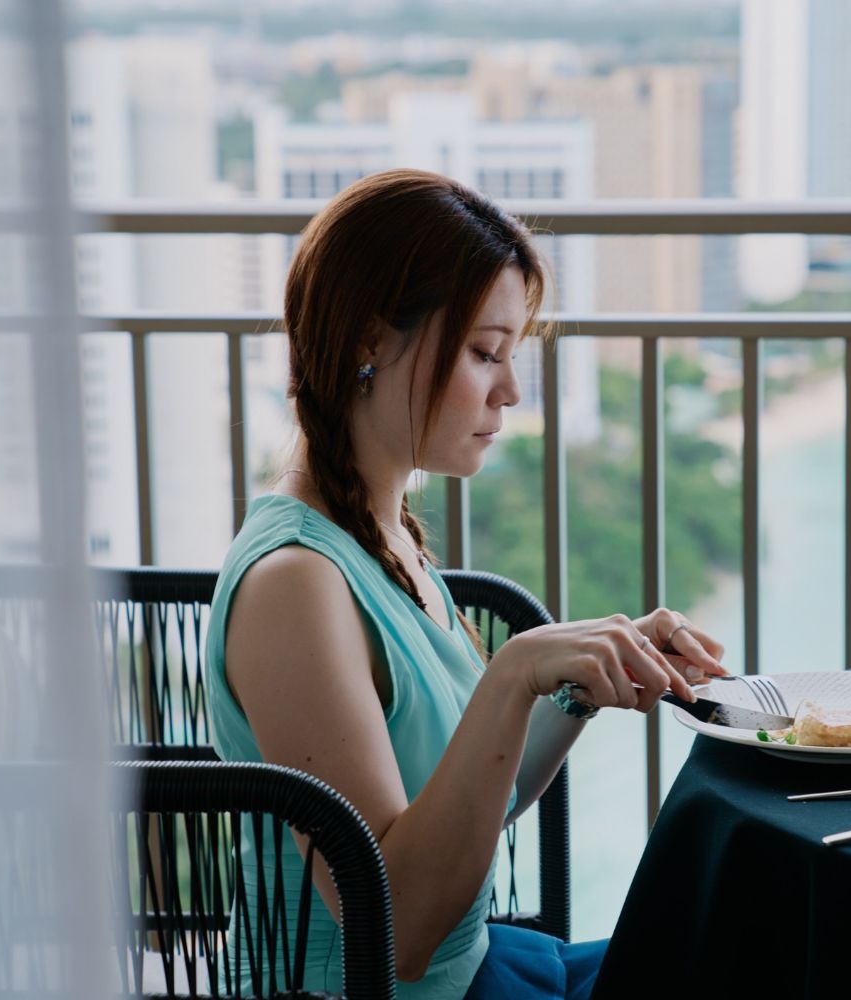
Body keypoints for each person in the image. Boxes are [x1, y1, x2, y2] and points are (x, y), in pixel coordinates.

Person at [205, 168, 727, 1000]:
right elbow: (397, 929)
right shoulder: (295, 585)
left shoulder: (382, 535)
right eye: (486, 353)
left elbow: (468, 807)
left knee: (738, 943)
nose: (511, 391)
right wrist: (515, 669)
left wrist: (579, 685)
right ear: (371, 341)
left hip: (469, 969)